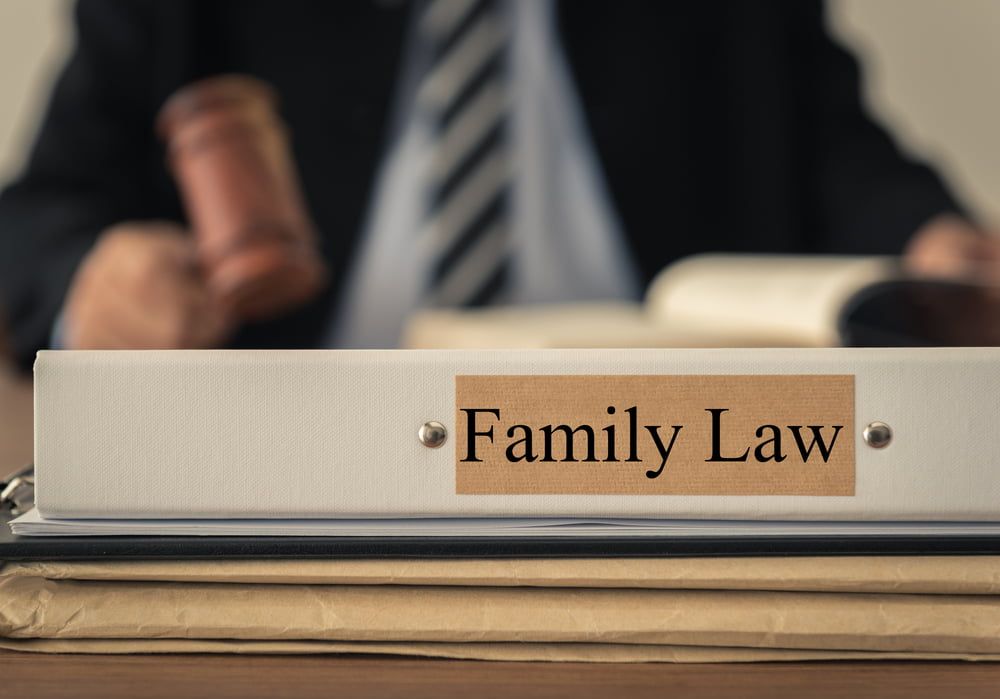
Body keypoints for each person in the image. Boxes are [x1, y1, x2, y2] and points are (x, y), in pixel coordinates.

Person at [0, 0, 994, 371]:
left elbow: (838, 154)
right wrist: (91, 277)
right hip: (299, 456)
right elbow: (35, 216)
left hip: (658, 454)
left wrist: (931, 245)